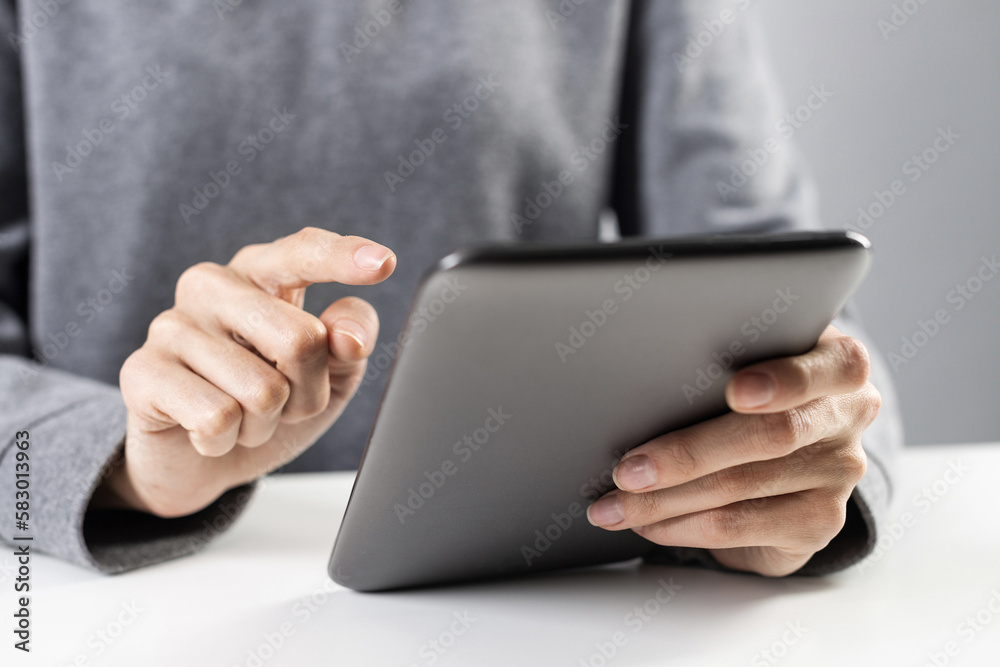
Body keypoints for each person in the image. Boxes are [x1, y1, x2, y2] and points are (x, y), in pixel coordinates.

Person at [0, 0, 901, 577]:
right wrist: (124, 464)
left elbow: (788, 294)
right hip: (128, 612)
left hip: (544, 604)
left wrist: (788, 481)